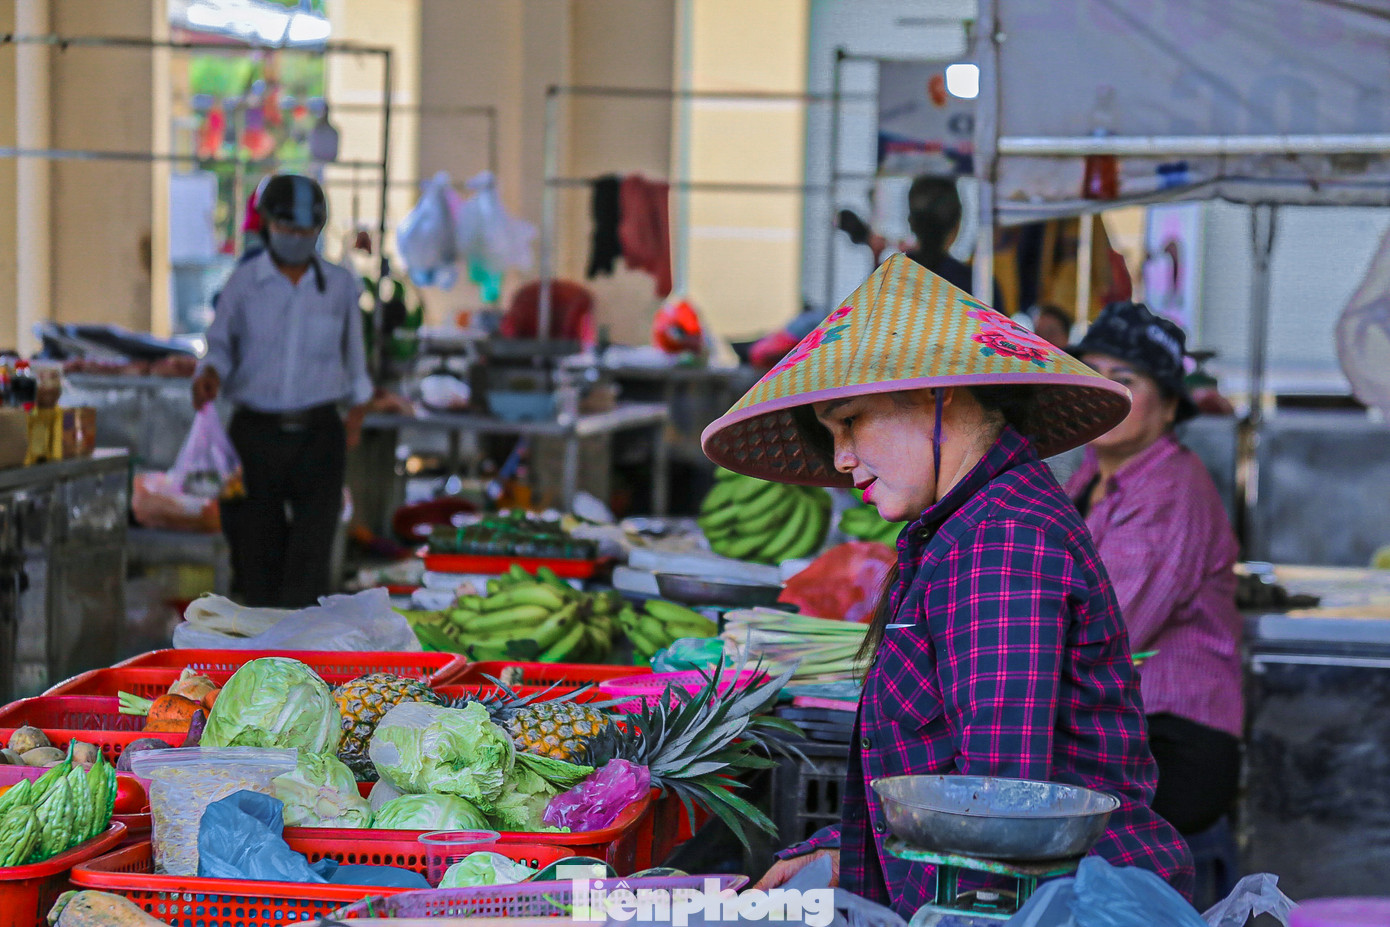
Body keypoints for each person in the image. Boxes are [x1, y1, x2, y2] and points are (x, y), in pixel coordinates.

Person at [703, 254, 1194, 918]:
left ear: (939, 394)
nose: (843, 457)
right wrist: (843, 846)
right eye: (831, 434)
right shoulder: (961, 529)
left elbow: (993, 816)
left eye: (850, 421)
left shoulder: (1001, 542)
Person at [1065, 302, 1243, 838]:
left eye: (1127, 380)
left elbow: (1110, 630)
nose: (1107, 392)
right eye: (1093, 375)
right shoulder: (1089, 474)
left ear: (1169, 407)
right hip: (1114, 729)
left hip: (1171, 744)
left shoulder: (1170, 489)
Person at [192, 173, 373, 608]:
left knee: (310, 565)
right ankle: (258, 661)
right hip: (255, 436)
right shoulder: (243, 284)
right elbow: (219, 346)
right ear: (268, 225)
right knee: (255, 558)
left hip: (319, 436)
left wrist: (356, 416)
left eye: (307, 232)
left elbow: (355, 361)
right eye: (287, 230)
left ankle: (302, 665)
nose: (296, 239)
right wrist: (209, 373)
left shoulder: (340, 287)